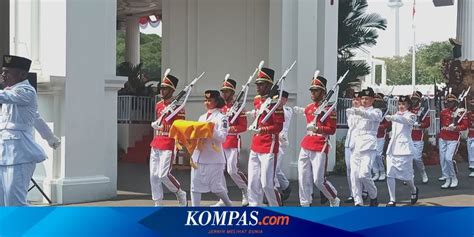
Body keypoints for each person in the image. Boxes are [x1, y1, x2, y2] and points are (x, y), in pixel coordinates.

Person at [0, 55, 52, 206]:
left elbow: (5, 96)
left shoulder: (26, 91)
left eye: (8, 72)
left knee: (15, 201)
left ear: (22, 75)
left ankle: (28, 228)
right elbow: (36, 118)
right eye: (3, 72)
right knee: (3, 202)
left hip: (20, 155)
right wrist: (50, 138)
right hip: (4, 155)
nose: (3, 75)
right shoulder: (11, 93)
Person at [297, 75, 340, 207]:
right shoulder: (309, 107)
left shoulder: (329, 110)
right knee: (303, 178)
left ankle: (333, 197)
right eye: (311, 90)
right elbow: (306, 113)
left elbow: (331, 130)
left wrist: (317, 128)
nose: (312, 93)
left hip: (320, 145)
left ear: (323, 92)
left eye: (316, 90)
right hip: (306, 144)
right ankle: (305, 203)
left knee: (318, 180)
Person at [247, 67, 284, 206]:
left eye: (261, 84)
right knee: (252, 183)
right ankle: (254, 208)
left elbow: (278, 127)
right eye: (257, 84)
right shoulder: (257, 101)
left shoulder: (276, 102)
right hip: (255, 145)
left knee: (266, 184)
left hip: (269, 145)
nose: (257, 86)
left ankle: (278, 209)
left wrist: (263, 130)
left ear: (269, 85)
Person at [149, 73, 187, 206]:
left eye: (165, 88)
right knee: (154, 175)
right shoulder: (159, 105)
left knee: (163, 175)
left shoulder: (178, 107)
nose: (162, 90)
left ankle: (179, 192)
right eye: (161, 88)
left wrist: (164, 126)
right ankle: (158, 202)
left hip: (169, 142)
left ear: (172, 90)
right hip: (157, 141)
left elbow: (180, 127)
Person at [190, 90, 232, 207]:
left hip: (213, 158)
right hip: (198, 155)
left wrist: (210, 130)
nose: (207, 102)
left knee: (216, 187)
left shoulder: (222, 117)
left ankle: (229, 205)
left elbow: (223, 138)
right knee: (195, 186)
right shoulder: (202, 117)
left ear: (216, 102)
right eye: (206, 100)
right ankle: (195, 212)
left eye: (210, 100)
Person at [213, 78, 249, 206]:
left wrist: (230, 128)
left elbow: (243, 126)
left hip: (233, 141)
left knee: (232, 170)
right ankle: (223, 197)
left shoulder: (239, 107)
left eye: (227, 91)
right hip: (221, 141)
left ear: (233, 92)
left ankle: (246, 191)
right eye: (223, 91)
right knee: (219, 170)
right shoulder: (220, 108)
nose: (224, 94)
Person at [384, 95, 419, 206]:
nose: (401, 106)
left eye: (404, 104)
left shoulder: (412, 116)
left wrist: (393, 118)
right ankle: (392, 199)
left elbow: (406, 121)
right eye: (399, 104)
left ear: (408, 105)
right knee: (389, 174)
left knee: (407, 176)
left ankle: (413, 190)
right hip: (393, 148)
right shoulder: (395, 115)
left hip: (404, 149)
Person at [350, 87, 381, 206]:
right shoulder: (356, 111)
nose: (364, 101)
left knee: (364, 174)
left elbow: (372, 117)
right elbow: (351, 126)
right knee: (354, 176)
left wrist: (359, 111)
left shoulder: (376, 111)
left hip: (368, 145)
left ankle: (373, 195)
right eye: (362, 98)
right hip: (356, 144)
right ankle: (358, 201)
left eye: (367, 98)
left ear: (372, 100)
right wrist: (353, 113)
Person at [438, 93, 468, 188]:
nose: (449, 103)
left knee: (448, 158)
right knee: (443, 159)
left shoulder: (460, 112)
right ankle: (447, 179)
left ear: (455, 102)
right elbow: (442, 124)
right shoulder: (443, 112)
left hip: (453, 138)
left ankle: (454, 177)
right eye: (448, 102)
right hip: (443, 137)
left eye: (451, 102)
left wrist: (455, 127)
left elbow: (465, 125)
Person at [344, 92, 361, 204]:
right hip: (349, 142)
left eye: (357, 100)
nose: (355, 102)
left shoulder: (364, 113)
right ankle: (352, 193)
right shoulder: (349, 112)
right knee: (349, 169)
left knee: (359, 170)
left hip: (359, 143)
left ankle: (361, 192)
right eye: (353, 100)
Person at [410, 91, 430, 184]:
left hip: (418, 137)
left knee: (417, 158)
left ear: (418, 100)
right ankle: (410, 175)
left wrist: (420, 124)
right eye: (412, 99)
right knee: (408, 158)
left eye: (415, 99)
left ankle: (423, 172)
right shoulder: (408, 110)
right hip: (408, 137)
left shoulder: (423, 110)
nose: (413, 101)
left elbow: (427, 123)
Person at [276, 90, 292, 201]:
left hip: (281, 141)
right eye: (277, 98)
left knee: (275, 168)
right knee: (274, 169)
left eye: (281, 98)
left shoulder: (287, 110)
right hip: (272, 140)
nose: (279, 100)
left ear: (285, 100)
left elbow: (283, 115)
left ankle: (277, 191)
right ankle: (285, 187)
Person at [372, 93, 390, 181]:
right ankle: (376, 172)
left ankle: (382, 172)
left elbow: (387, 124)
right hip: (372, 136)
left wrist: (378, 126)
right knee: (372, 155)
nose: (376, 103)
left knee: (379, 155)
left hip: (381, 136)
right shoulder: (371, 111)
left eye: (378, 101)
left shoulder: (385, 111)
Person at [467, 97, 474, 177]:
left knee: (473, 148)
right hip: (470, 135)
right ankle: (472, 168)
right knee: (470, 153)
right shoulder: (468, 114)